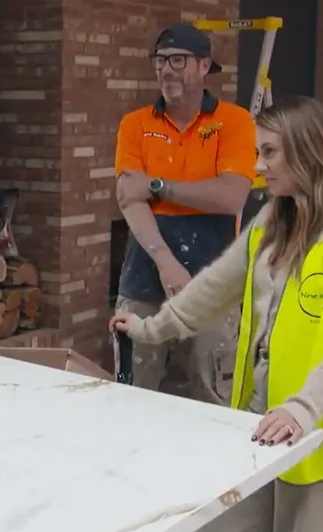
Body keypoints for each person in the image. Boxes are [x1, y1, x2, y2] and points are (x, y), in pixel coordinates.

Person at [109, 96, 323, 532]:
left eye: (270, 152)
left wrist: (303, 408)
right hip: (260, 428)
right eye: (257, 152)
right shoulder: (276, 217)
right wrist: (150, 328)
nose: (259, 166)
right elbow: (215, 288)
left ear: (310, 150)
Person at [113, 22, 257, 403]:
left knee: (215, 394)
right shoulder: (135, 125)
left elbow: (231, 198)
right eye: (160, 61)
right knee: (132, 392)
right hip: (145, 271)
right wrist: (164, 260)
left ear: (204, 66)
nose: (166, 69)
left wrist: (158, 186)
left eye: (178, 60)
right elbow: (130, 198)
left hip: (215, 273)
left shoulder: (235, 122)